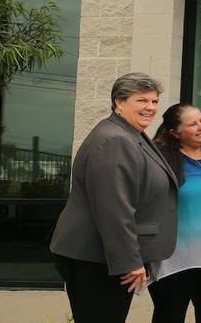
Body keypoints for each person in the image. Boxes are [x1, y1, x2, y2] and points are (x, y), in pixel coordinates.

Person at [49, 73, 178, 323]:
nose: (150, 108)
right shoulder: (114, 140)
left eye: (154, 101)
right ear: (119, 102)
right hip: (97, 258)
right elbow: (114, 209)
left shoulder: (130, 133)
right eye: (142, 101)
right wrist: (129, 261)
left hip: (104, 256)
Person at [149, 103, 201, 323]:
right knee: (169, 317)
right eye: (192, 124)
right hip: (173, 259)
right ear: (174, 132)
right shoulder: (160, 161)